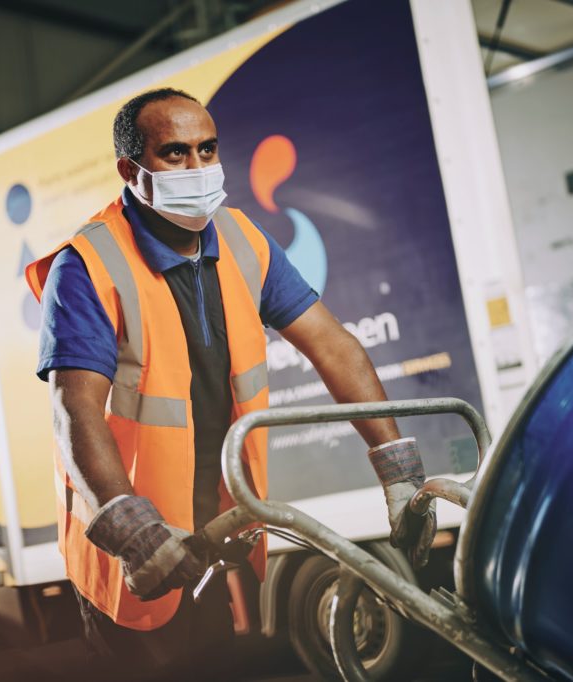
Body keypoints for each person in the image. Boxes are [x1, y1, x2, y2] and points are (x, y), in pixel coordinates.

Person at [25, 87, 437, 680]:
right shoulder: (88, 265)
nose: (197, 167)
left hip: (211, 539)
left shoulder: (243, 241)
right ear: (131, 171)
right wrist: (131, 531)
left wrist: (397, 468)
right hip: (133, 557)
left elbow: (334, 346)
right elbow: (76, 410)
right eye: (174, 153)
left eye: (207, 149)